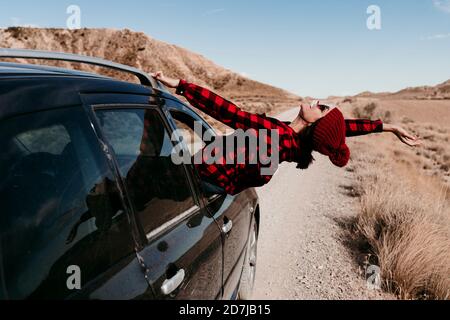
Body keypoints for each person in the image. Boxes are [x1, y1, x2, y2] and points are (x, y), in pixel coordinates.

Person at [151, 72, 421, 196]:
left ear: (314, 125)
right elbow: (343, 128)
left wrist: (182, 85)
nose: (317, 101)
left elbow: (228, 112)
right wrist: (388, 127)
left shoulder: (273, 136)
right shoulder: (289, 142)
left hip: (194, 180)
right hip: (213, 185)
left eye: (322, 107)